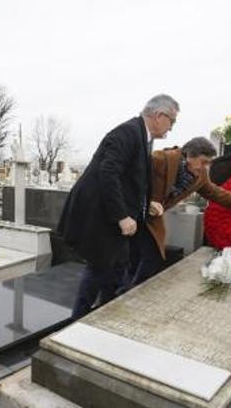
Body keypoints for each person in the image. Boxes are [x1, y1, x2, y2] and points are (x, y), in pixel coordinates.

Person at [59, 94, 179, 318]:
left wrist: (146, 204)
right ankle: (78, 320)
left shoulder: (143, 137)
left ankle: (105, 313)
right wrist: (122, 216)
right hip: (100, 214)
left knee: (117, 266)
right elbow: (108, 173)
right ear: (159, 115)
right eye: (172, 121)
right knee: (100, 267)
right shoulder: (127, 132)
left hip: (110, 214)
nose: (171, 128)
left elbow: (132, 180)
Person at [126, 137, 231, 287]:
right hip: (130, 214)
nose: (205, 167)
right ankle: (120, 291)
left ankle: (132, 289)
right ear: (188, 155)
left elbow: (215, 192)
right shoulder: (160, 159)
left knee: (151, 256)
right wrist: (146, 202)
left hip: (152, 220)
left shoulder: (200, 176)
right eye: (203, 161)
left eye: (209, 163)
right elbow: (130, 179)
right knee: (126, 258)